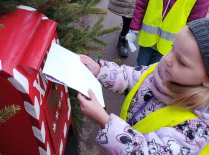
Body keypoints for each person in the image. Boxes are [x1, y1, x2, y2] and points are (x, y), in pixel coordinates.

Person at [78, 18, 209, 154]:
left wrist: (104, 121)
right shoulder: (162, 71)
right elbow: (131, 78)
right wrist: (100, 70)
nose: (167, 59)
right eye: (172, 48)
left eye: (181, 61)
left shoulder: (197, 130)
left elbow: (147, 151)